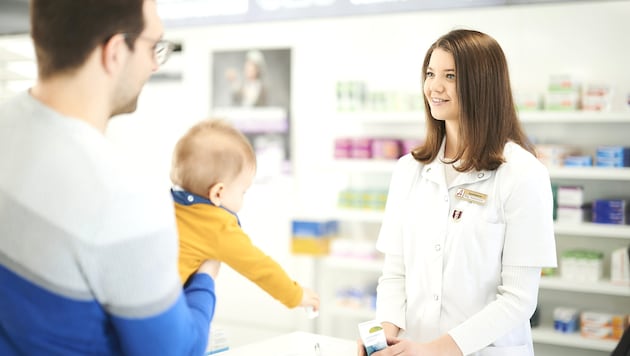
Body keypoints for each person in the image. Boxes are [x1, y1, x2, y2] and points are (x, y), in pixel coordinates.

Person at [0, 1, 219, 355]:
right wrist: (208, 273)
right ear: (115, 51)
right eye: (153, 47)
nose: (154, 62)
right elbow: (176, 351)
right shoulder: (125, 197)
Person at [359, 29, 557, 356]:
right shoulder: (408, 170)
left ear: (483, 83)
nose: (435, 86)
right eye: (430, 74)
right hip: (414, 348)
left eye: (450, 76)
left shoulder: (522, 174)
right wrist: (383, 336)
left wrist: (436, 350)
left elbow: (519, 299)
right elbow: (395, 273)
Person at [170, 118, 320, 312]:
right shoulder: (217, 227)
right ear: (218, 193)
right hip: (166, 313)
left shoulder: (164, 204)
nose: (243, 198)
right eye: (243, 192)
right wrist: (296, 295)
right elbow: (259, 267)